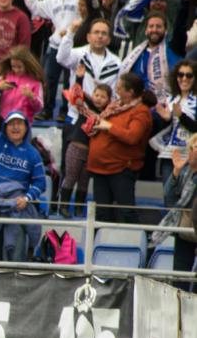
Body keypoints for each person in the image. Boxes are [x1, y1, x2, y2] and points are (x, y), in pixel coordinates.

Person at [0, 78, 46, 262]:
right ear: (5, 127)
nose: (15, 127)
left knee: (15, 258)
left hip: (16, 211)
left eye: (19, 124)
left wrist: (27, 198)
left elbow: (40, 183)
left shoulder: (33, 154)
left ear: (26, 127)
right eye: (11, 124)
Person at [87, 72, 154, 223]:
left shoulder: (141, 111)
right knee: (102, 214)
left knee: (126, 212)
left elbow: (132, 136)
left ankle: (134, 243)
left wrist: (108, 126)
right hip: (99, 168)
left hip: (121, 168)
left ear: (130, 92)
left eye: (119, 88)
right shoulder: (114, 106)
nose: (116, 90)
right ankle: (101, 245)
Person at [59, 66, 113, 218]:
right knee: (70, 177)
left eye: (103, 96)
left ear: (109, 100)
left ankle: (78, 209)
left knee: (83, 182)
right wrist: (79, 78)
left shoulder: (107, 115)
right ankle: (63, 207)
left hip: (91, 152)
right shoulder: (84, 107)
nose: (98, 98)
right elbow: (77, 94)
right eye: (96, 94)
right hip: (76, 147)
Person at [25, 0, 80, 122]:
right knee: (49, 79)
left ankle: (65, 111)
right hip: (55, 45)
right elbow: (35, 7)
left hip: (73, 46)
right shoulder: (52, 1)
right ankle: (47, 110)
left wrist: (70, 31)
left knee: (69, 80)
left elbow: (86, 16)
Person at [150, 136, 197, 284]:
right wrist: (176, 172)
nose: (191, 152)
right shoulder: (186, 172)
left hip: (194, 228)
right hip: (184, 232)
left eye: (194, 148)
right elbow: (170, 202)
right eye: (191, 148)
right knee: (178, 280)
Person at [152, 60, 197, 182]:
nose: (184, 78)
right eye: (180, 74)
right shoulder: (170, 99)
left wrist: (181, 116)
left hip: (192, 157)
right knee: (168, 194)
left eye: (189, 75)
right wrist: (166, 119)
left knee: (187, 197)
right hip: (170, 155)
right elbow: (164, 130)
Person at [0, 45, 44, 124]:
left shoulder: (35, 82)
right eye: (13, 66)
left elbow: (39, 107)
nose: (16, 70)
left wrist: (31, 96)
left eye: (19, 67)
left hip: (23, 123)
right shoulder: (6, 76)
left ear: (27, 65)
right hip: (4, 121)